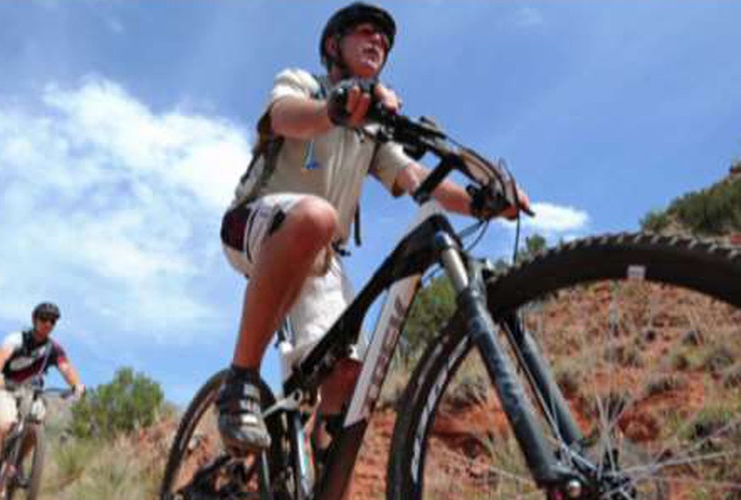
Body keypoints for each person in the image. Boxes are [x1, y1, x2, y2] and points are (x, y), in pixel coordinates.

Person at [216, 2, 529, 455]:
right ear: (332, 46)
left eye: (384, 41)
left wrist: (484, 205)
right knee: (317, 216)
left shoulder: (372, 131)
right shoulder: (306, 84)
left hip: (319, 257)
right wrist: (336, 110)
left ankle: (320, 468)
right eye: (366, 32)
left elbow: (418, 180)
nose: (377, 42)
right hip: (256, 224)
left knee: (349, 375)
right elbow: (284, 116)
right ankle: (240, 380)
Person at [0, 302, 85, 500]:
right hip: (5, 387)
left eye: (53, 321)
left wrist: (77, 385)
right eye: (44, 319)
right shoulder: (17, 339)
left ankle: (14, 464)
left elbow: (66, 368)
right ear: (34, 320)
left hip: (30, 391)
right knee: (2, 425)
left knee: (37, 423)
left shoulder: (53, 349)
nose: (48, 323)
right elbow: (1, 357)